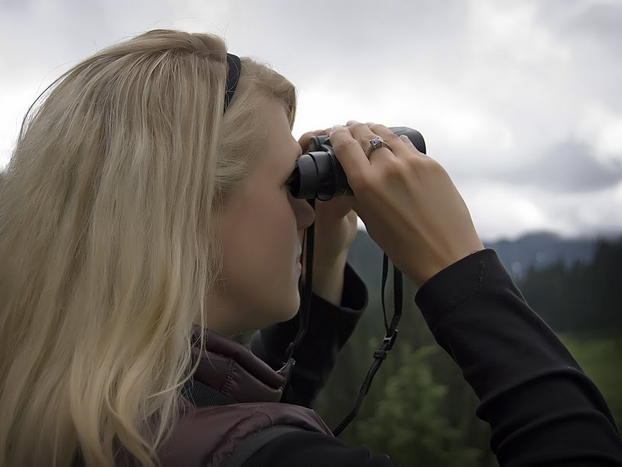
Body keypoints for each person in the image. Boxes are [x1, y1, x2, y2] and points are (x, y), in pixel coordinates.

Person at [0, 28, 620, 467]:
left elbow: (218, 411)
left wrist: (320, 270)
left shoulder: (62, 404)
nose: (306, 207)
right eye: (290, 182)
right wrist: (458, 267)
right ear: (182, 211)